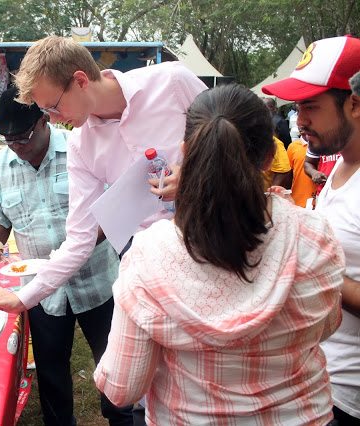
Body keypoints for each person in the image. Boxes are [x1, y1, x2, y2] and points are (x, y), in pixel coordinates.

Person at [94, 83, 344, 425]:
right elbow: (327, 325)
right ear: (271, 156)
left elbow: (122, 388)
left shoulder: (149, 255)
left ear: (185, 151)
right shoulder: (315, 236)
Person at [0, 35, 207, 314]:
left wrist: (195, 174)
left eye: (54, 106)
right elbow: (80, 238)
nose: (53, 119)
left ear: (81, 81)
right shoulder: (81, 144)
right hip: (151, 267)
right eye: (46, 111)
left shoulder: (172, 82)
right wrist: (24, 298)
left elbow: (237, 141)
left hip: (213, 242)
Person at [0, 87, 131, 425]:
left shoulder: (82, 151)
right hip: (41, 290)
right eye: (8, 139)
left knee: (116, 366)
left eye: (22, 136)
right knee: (50, 371)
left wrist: (77, 248)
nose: (16, 147)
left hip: (97, 281)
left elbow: (114, 207)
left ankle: (121, 418)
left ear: (44, 120)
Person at [263, 34, 360, 424]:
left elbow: (327, 263)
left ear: (354, 104)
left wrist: (308, 259)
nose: (299, 120)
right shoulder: (340, 164)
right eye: (297, 107)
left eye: (311, 107)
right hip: (320, 379)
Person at [286, 135, 316, 208]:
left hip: (320, 201)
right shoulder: (293, 147)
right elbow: (287, 175)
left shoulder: (325, 146)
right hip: (297, 202)